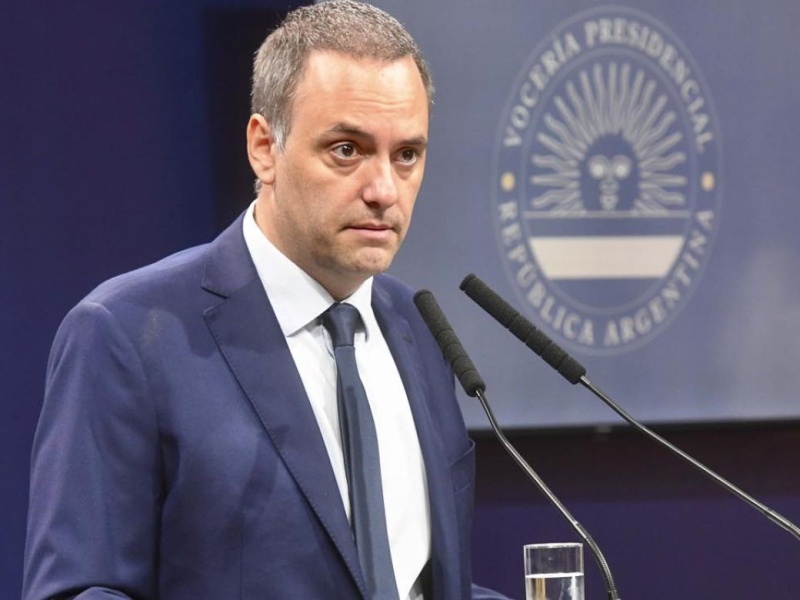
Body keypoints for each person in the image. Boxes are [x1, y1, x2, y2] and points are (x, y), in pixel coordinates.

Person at [23, 2, 510, 599]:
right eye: (347, 150)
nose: (384, 189)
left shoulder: (416, 327)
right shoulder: (126, 335)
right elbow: (82, 589)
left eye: (406, 154)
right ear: (264, 148)